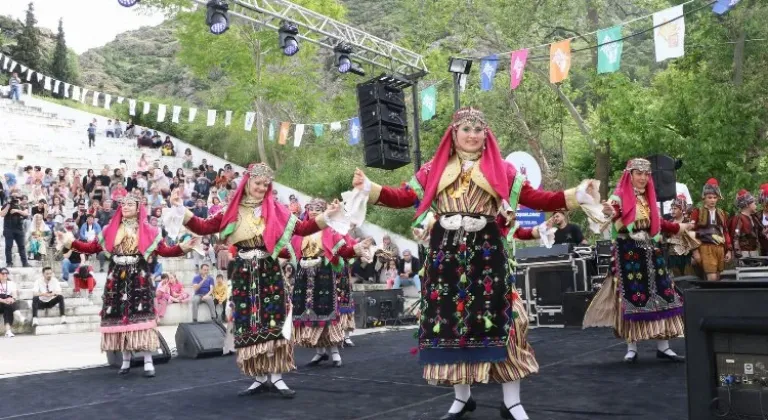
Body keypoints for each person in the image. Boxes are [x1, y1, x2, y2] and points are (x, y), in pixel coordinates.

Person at [351, 107, 595, 420]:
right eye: (466, 129)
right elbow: (401, 196)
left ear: (485, 135)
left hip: (487, 256)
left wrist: (576, 195)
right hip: (446, 259)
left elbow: (539, 199)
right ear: (453, 135)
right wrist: (370, 188)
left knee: (508, 322)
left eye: (478, 130)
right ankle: (461, 399)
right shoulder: (432, 170)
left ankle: (512, 403)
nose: (472, 135)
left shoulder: (504, 170)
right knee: (452, 325)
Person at [166, 162, 342, 397]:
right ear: (247, 182)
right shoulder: (231, 210)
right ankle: (259, 377)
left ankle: (277, 377)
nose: (261, 187)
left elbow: (302, 228)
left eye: (265, 184)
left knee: (274, 319)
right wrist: (180, 208)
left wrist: (327, 216)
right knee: (249, 321)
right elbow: (203, 225)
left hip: (268, 268)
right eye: (257, 183)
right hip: (242, 271)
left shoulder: (277, 210)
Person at [56, 196, 197, 378]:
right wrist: (70, 241)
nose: (126, 206)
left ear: (139, 208)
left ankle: (147, 360)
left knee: (141, 317)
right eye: (123, 204)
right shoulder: (109, 230)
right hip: (117, 277)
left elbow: (165, 251)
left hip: (139, 275)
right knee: (121, 317)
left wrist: (184, 247)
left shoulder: (149, 230)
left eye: (131, 204)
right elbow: (91, 247)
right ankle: (125, 360)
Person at [584, 158, 691, 364]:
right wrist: (608, 211)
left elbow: (658, 223)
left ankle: (664, 346)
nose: (642, 178)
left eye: (645, 174)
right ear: (630, 175)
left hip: (651, 252)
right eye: (638, 174)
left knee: (663, 293)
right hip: (628, 252)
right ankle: (631, 347)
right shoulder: (619, 196)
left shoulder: (648, 198)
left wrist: (680, 228)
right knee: (632, 297)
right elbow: (614, 211)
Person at [291, 198, 368, 367]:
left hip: (323, 273)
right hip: (304, 274)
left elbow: (343, 250)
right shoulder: (299, 233)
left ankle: (334, 352)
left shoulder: (331, 230)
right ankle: (319, 352)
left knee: (326, 312)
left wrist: (356, 250)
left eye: (318, 210)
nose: (313, 212)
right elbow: (288, 251)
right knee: (308, 313)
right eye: (311, 209)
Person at [690, 179, 731, 281]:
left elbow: (725, 232)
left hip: (720, 248)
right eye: (709, 197)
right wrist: (695, 251)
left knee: (718, 277)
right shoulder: (697, 212)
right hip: (705, 247)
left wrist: (729, 250)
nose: (712, 200)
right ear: (704, 198)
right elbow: (690, 232)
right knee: (711, 278)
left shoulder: (722, 213)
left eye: (714, 197)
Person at [664, 195, 698, 277]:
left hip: (686, 257)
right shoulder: (669, 223)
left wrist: (694, 255)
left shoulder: (688, 223)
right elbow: (665, 240)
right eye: (671, 208)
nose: (672, 211)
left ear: (681, 209)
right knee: (675, 281)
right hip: (672, 257)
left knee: (688, 279)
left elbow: (693, 240)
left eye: (675, 208)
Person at [728, 190, 761, 263]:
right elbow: (735, 237)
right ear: (747, 205)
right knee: (746, 273)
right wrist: (738, 254)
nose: (755, 204)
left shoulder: (754, 217)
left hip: (754, 252)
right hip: (744, 253)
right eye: (753, 202)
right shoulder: (739, 218)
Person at [0, 268, 21, 337]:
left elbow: (14, 294)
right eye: (3, 273)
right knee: (7, 304)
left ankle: (8, 331)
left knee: (8, 306)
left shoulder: (11, 283)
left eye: (6, 273)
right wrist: (3, 300)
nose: (5, 275)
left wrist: (12, 299)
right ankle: (17, 312)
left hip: (7, 303)